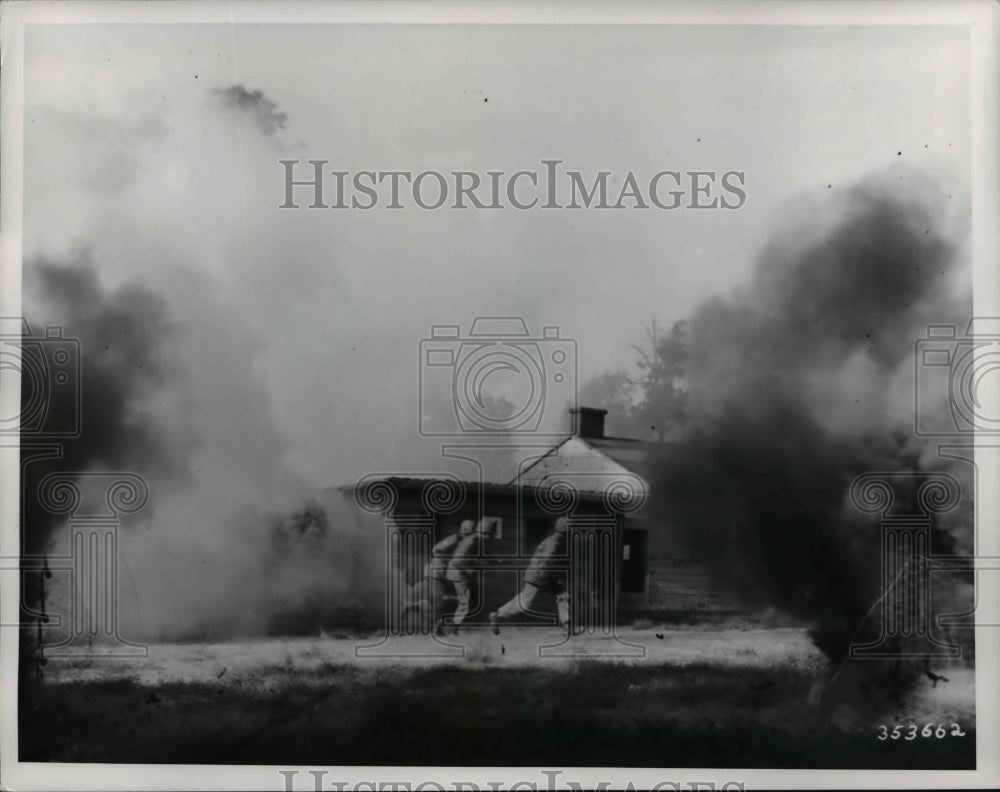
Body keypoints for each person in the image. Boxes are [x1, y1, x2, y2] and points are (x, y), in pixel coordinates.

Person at [489, 517, 570, 635]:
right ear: (566, 531)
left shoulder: (558, 540)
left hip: (543, 574)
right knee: (525, 603)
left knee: (563, 594)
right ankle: (498, 615)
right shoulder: (554, 542)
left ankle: (566, 625)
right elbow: (546, 561)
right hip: (538, 575)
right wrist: (555, 578)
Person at [446, 518, 496, 634]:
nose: (490, 538)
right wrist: (480, 563)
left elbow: (485, 557)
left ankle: (449, 626)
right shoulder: (471, 541)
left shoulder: (480, 541)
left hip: (465, 574)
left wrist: (494, 561)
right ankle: (450, 629)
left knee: (467, 602)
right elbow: (457, 561)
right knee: (465, 603)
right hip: (458, 573)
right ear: (483, 532)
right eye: (489, 534)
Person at [425, 520, 473, 635]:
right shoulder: (455, 539)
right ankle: (436, 628)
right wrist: (447, 561)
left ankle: (444, 628)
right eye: (469, 533)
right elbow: (437, 550)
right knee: (439, 601)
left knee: (455, 600)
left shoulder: (466, 543)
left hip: (447, 574)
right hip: (437, 572)